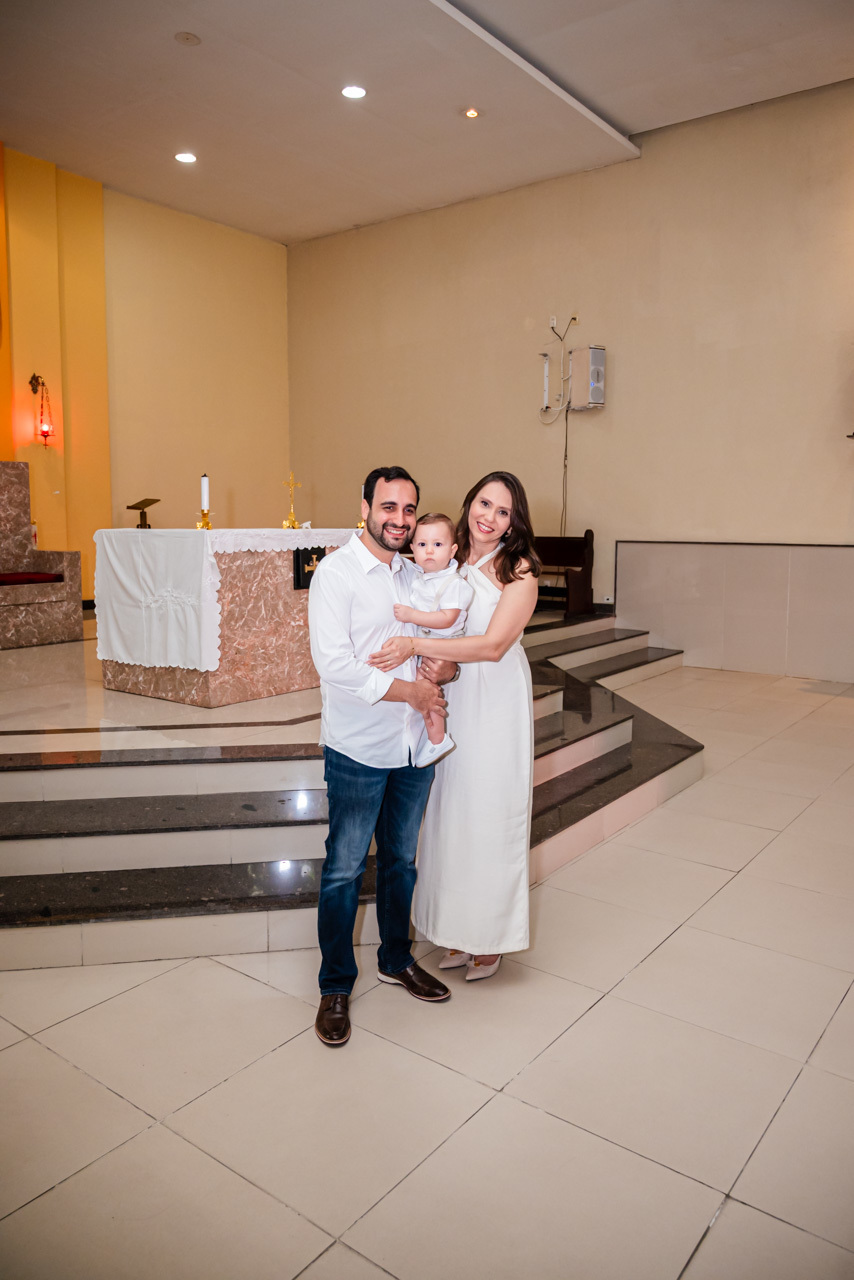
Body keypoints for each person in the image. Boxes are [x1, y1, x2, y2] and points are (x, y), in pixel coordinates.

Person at [368, 471, 540, 981]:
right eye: (484, 503)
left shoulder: (520, 570)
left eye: (502, 511)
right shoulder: (448, 553)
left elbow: (491, 645)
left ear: (513, 522)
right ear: (469, 505)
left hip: (496, 697)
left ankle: (491, 939)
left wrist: (421, 648)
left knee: (490, 811)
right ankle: (458, 933)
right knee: (452, 814)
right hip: (454, 691)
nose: (489, 516)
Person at [307, 466, 458, 1047]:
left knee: (401, 860)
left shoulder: (418, 573)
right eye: (389, 507)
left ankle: (395, 959)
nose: (400, 519)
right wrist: (412, 692)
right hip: (359, 747)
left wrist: (445, 668)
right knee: (345, 868)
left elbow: (443, 638)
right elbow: (335, 665)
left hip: (413, 744)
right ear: (365, 506)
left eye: (409, 509)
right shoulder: (337, 574)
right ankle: (335, 985)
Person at [393, 512, 474, 768]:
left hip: (442, 645)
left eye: (437, 545)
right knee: (422, 687)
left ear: (452, 550)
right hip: (426, 643)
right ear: (412, 548)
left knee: (426, 690)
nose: (429, 551)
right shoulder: (418, 576)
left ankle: (438, 739)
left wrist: (412, 615)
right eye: (422, 544)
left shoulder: (454, 583)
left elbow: (446, 619)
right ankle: (431, 735)